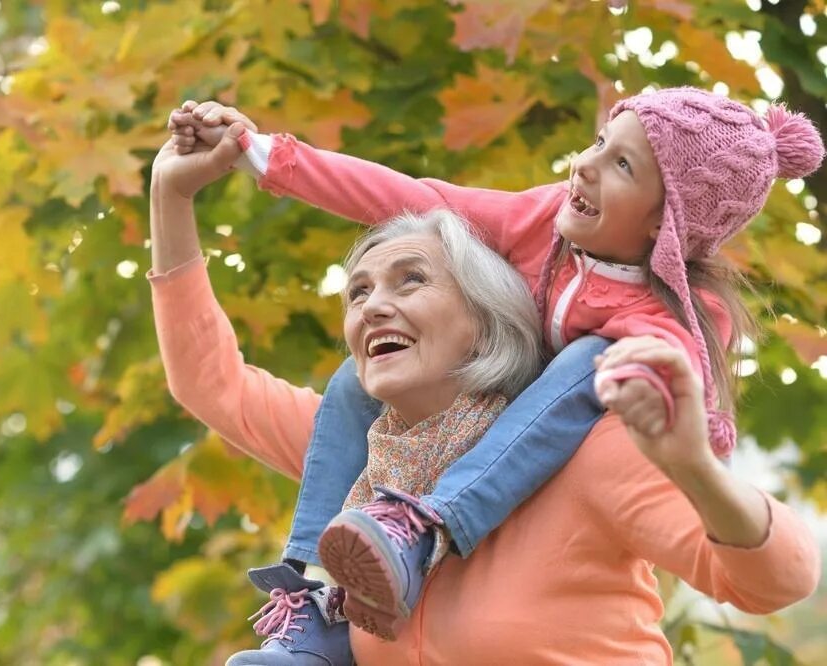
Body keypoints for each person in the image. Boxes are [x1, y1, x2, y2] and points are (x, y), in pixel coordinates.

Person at [168, 88, 825, 647]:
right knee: (347, 386)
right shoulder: (373, 450)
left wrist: (692, 462)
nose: (375, 308)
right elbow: (209, 381)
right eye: (358, 291)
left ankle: (421, 530)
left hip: (579, 400)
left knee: (588, 360)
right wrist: (197, 185)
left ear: (484, 308)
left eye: (412, 279)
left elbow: (777, 577)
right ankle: (311, 601)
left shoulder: (598, 452)